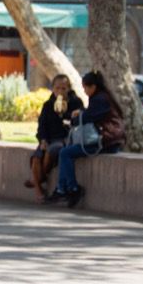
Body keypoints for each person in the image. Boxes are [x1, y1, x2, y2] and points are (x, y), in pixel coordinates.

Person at [47, 70, 124, 208]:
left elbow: (87, 117)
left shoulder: (100, 99)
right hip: (105, 139)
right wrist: (82, 112)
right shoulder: (102, 97)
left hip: (105, 141)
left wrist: (75, 118)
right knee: (66, 151)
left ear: (93, 87)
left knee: (65, 153)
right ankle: (62, 189)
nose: (84, 91)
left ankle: (71, 188)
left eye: (85, 88)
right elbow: (90, 114)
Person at [25, 74, 83, 202]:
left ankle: (38, 179)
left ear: (68, 89)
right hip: (49, 138)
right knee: (36, 157)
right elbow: (42, 126)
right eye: (57, 88)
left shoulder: (75, 103)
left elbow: (77, 121)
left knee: (51, 151)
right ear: (53, 88)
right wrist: (43, 140)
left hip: (64, 138)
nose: (60, 91)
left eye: (63, 88)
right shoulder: (48, 105)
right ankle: (38, 189)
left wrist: (65, 114)